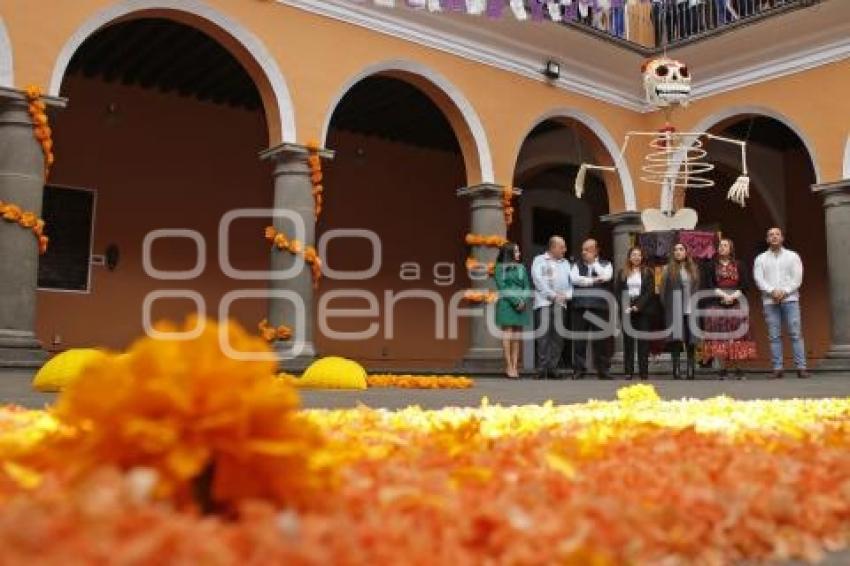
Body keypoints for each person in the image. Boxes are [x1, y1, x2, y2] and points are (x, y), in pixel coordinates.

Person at [753, 227, 810, 379]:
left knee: (795, 333)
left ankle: (801, 367)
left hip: (790, 299)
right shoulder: (760, 259)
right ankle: (777, 368)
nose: (774, 237)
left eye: (777, 234)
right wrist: (772, 291)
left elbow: (797, 278)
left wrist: (784, 291)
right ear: (767, 239)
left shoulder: (793, 256)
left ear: (782, 238)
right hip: (770, 301)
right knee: (774, 336)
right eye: (770, 235)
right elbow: (759, 279)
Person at [703, 238, 757, 379]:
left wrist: (732, 296)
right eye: (720, 245)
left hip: (737, 303)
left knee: (737, 336)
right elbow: (709, 285)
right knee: (720, 337)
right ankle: (722, 369)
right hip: (717, 303)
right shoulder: (710, 266)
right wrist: (723, 295)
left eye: (725, 245)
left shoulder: (740, 265)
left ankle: (738, 368)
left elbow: (745, 285)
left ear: (731, 248)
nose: (722, 247)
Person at [570, 239, 614, 380]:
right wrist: (593, 280)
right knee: (579, 340)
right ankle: (579, 369)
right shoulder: (576, 265)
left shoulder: (606, 264)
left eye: (587, 250)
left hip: (599, 306)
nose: (584, 252)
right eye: (583, 249)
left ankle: (603, 370)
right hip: (580, 306)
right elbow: (575, 280)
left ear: (596, 251)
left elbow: (606, 277)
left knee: (601, 340)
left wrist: (594, 264)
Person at [531, 236, 573, 380]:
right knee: (543, 336)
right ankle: (542, 369)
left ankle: (553, 368)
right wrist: (553, 295)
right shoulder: (539, 260)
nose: (565, 250)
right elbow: (538, 280)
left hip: (561, 304)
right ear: (553, 247)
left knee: (558, 338)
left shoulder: (566, 263)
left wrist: (567, 295)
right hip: (544, 303)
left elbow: (571, 282)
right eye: (562, 247)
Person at [614, 246, 656, 380]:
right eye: (633, 255)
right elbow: (617, 292)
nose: (636, 257)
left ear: (642, 257)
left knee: (643, 342)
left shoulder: (648, 272)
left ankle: (644, 372)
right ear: (629, 257)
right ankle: (628, 371)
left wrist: (638, 306)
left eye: (639, 255)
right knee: (628, 342)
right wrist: (626, 306)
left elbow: (649, 292)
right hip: (627, 309)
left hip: (643, 310)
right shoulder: (622, 272)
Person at [660, 243, 701, 380]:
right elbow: (662, 292)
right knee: (675, 340)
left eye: (681, 249)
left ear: (686, 252)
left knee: (691, 340)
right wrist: (668, 308)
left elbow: (699, 289)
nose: (678, 252)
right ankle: (676, 369)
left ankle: (690, 369)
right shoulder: (667, 269)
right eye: (675, 250)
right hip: (675, 309)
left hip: (691, 308)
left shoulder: (694, 269)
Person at [494, 242, 533, 379]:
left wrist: (523, 300)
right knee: (508, 333)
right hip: (506, 303)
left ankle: (515, 366)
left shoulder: (521, 267)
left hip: (521, 304)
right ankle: (508, 366)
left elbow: (527, 286)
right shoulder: (499, 268)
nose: (519, 254)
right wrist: (516, 301)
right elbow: (502, 287)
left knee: (517, 335)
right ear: (509, 253)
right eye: (516, 251)